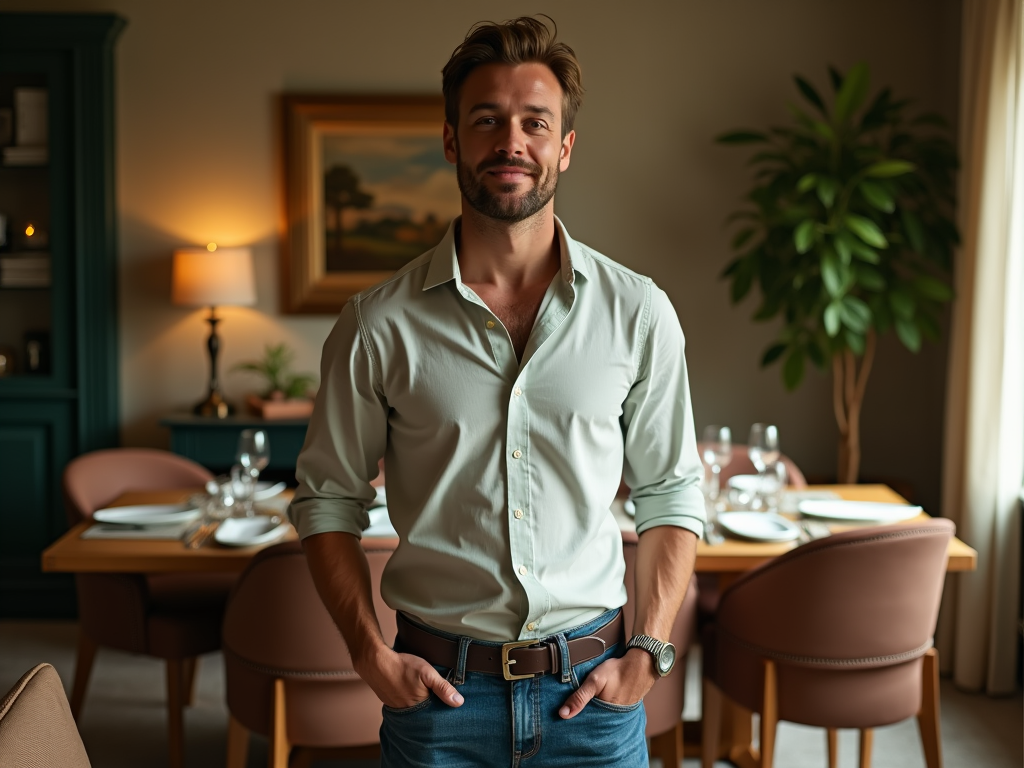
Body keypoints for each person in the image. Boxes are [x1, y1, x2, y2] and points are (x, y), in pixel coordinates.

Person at [289, 15, 705, 767]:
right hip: (437, 701)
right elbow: (326, 500)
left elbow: (672, 494)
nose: (510, 141)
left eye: (534, 123)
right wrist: (366, 654)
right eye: (486, 120)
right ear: (452, 140)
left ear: (564, 148)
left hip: (594, 701)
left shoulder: (639, 312)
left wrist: (648, 652)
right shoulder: (376, 323)